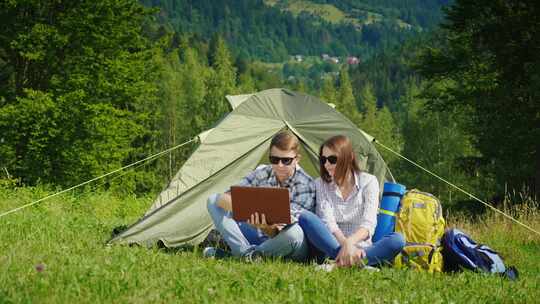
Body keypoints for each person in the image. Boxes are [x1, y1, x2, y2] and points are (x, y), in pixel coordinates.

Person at [204, 130, 316, 262]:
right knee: (213, 200)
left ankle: (239, 256)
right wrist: (250, 210)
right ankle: (247, 254)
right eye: (274, 159)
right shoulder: (263, 172)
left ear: (297, 159)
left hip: (289, 244)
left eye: (286, 160)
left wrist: (264, 226)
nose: (279, 165)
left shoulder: (306, 185)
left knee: (294, 234)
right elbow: (226, 196)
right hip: (259, 235)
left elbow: (279, 232)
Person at [298, 135, 405, 268]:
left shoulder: (369, 182)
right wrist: (346, 245)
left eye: (332, 159)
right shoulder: (320, 184)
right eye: (323, 159)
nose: (326, 165)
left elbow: (368, 225)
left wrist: (350, 242)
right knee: (305, 217)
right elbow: (328, 223)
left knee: (397, 240)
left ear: (349, 158)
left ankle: (336, 265)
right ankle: (358, 263)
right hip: (331, 244)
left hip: (362, 248)